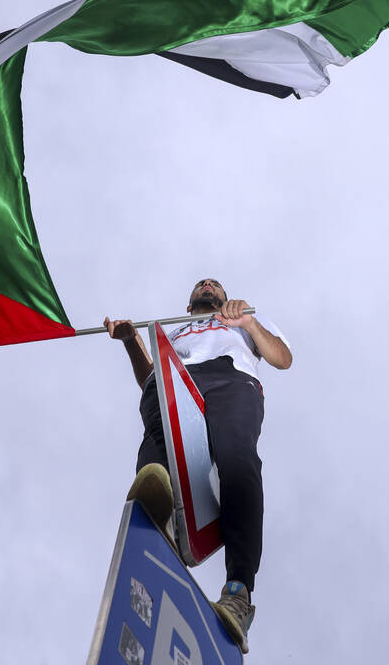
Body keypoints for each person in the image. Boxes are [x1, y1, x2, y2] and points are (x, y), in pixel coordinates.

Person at [104, 278, 292, 653]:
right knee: (157, 445)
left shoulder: (243, 317)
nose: (208, 285)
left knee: (237, 458)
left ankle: (238, 594)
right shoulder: (175, 329)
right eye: (201, 285)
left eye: (215, 285)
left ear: (223, 297)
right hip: (175, 381)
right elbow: (148, 377)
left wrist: (248, 324)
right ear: (190, 305)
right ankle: (164, 529)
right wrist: (130, 342)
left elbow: (282, 359)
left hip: (230, 378)